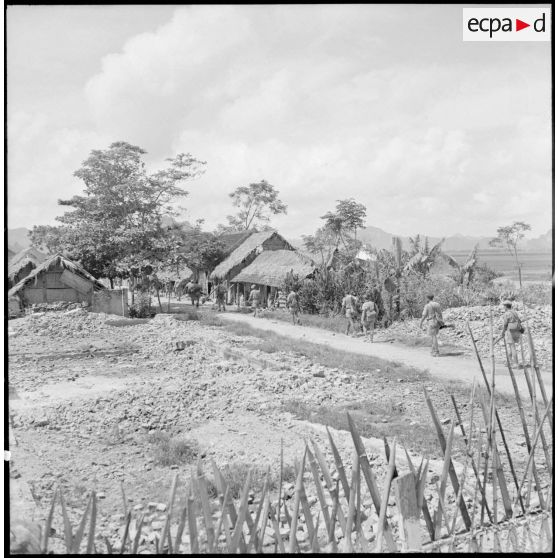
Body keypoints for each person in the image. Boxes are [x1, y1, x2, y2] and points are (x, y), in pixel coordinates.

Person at [496, 300, 524, 369]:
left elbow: (505, 324)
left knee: (512, 347)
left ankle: (515, 364)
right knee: (511, 346)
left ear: (505, 306)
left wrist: (502, 332)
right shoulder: (514, 312)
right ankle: (509, 362)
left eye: (504, 306)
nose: (503, 307)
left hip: (510, 331)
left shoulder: (506, 314)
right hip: (517, 331)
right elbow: (519, 321)